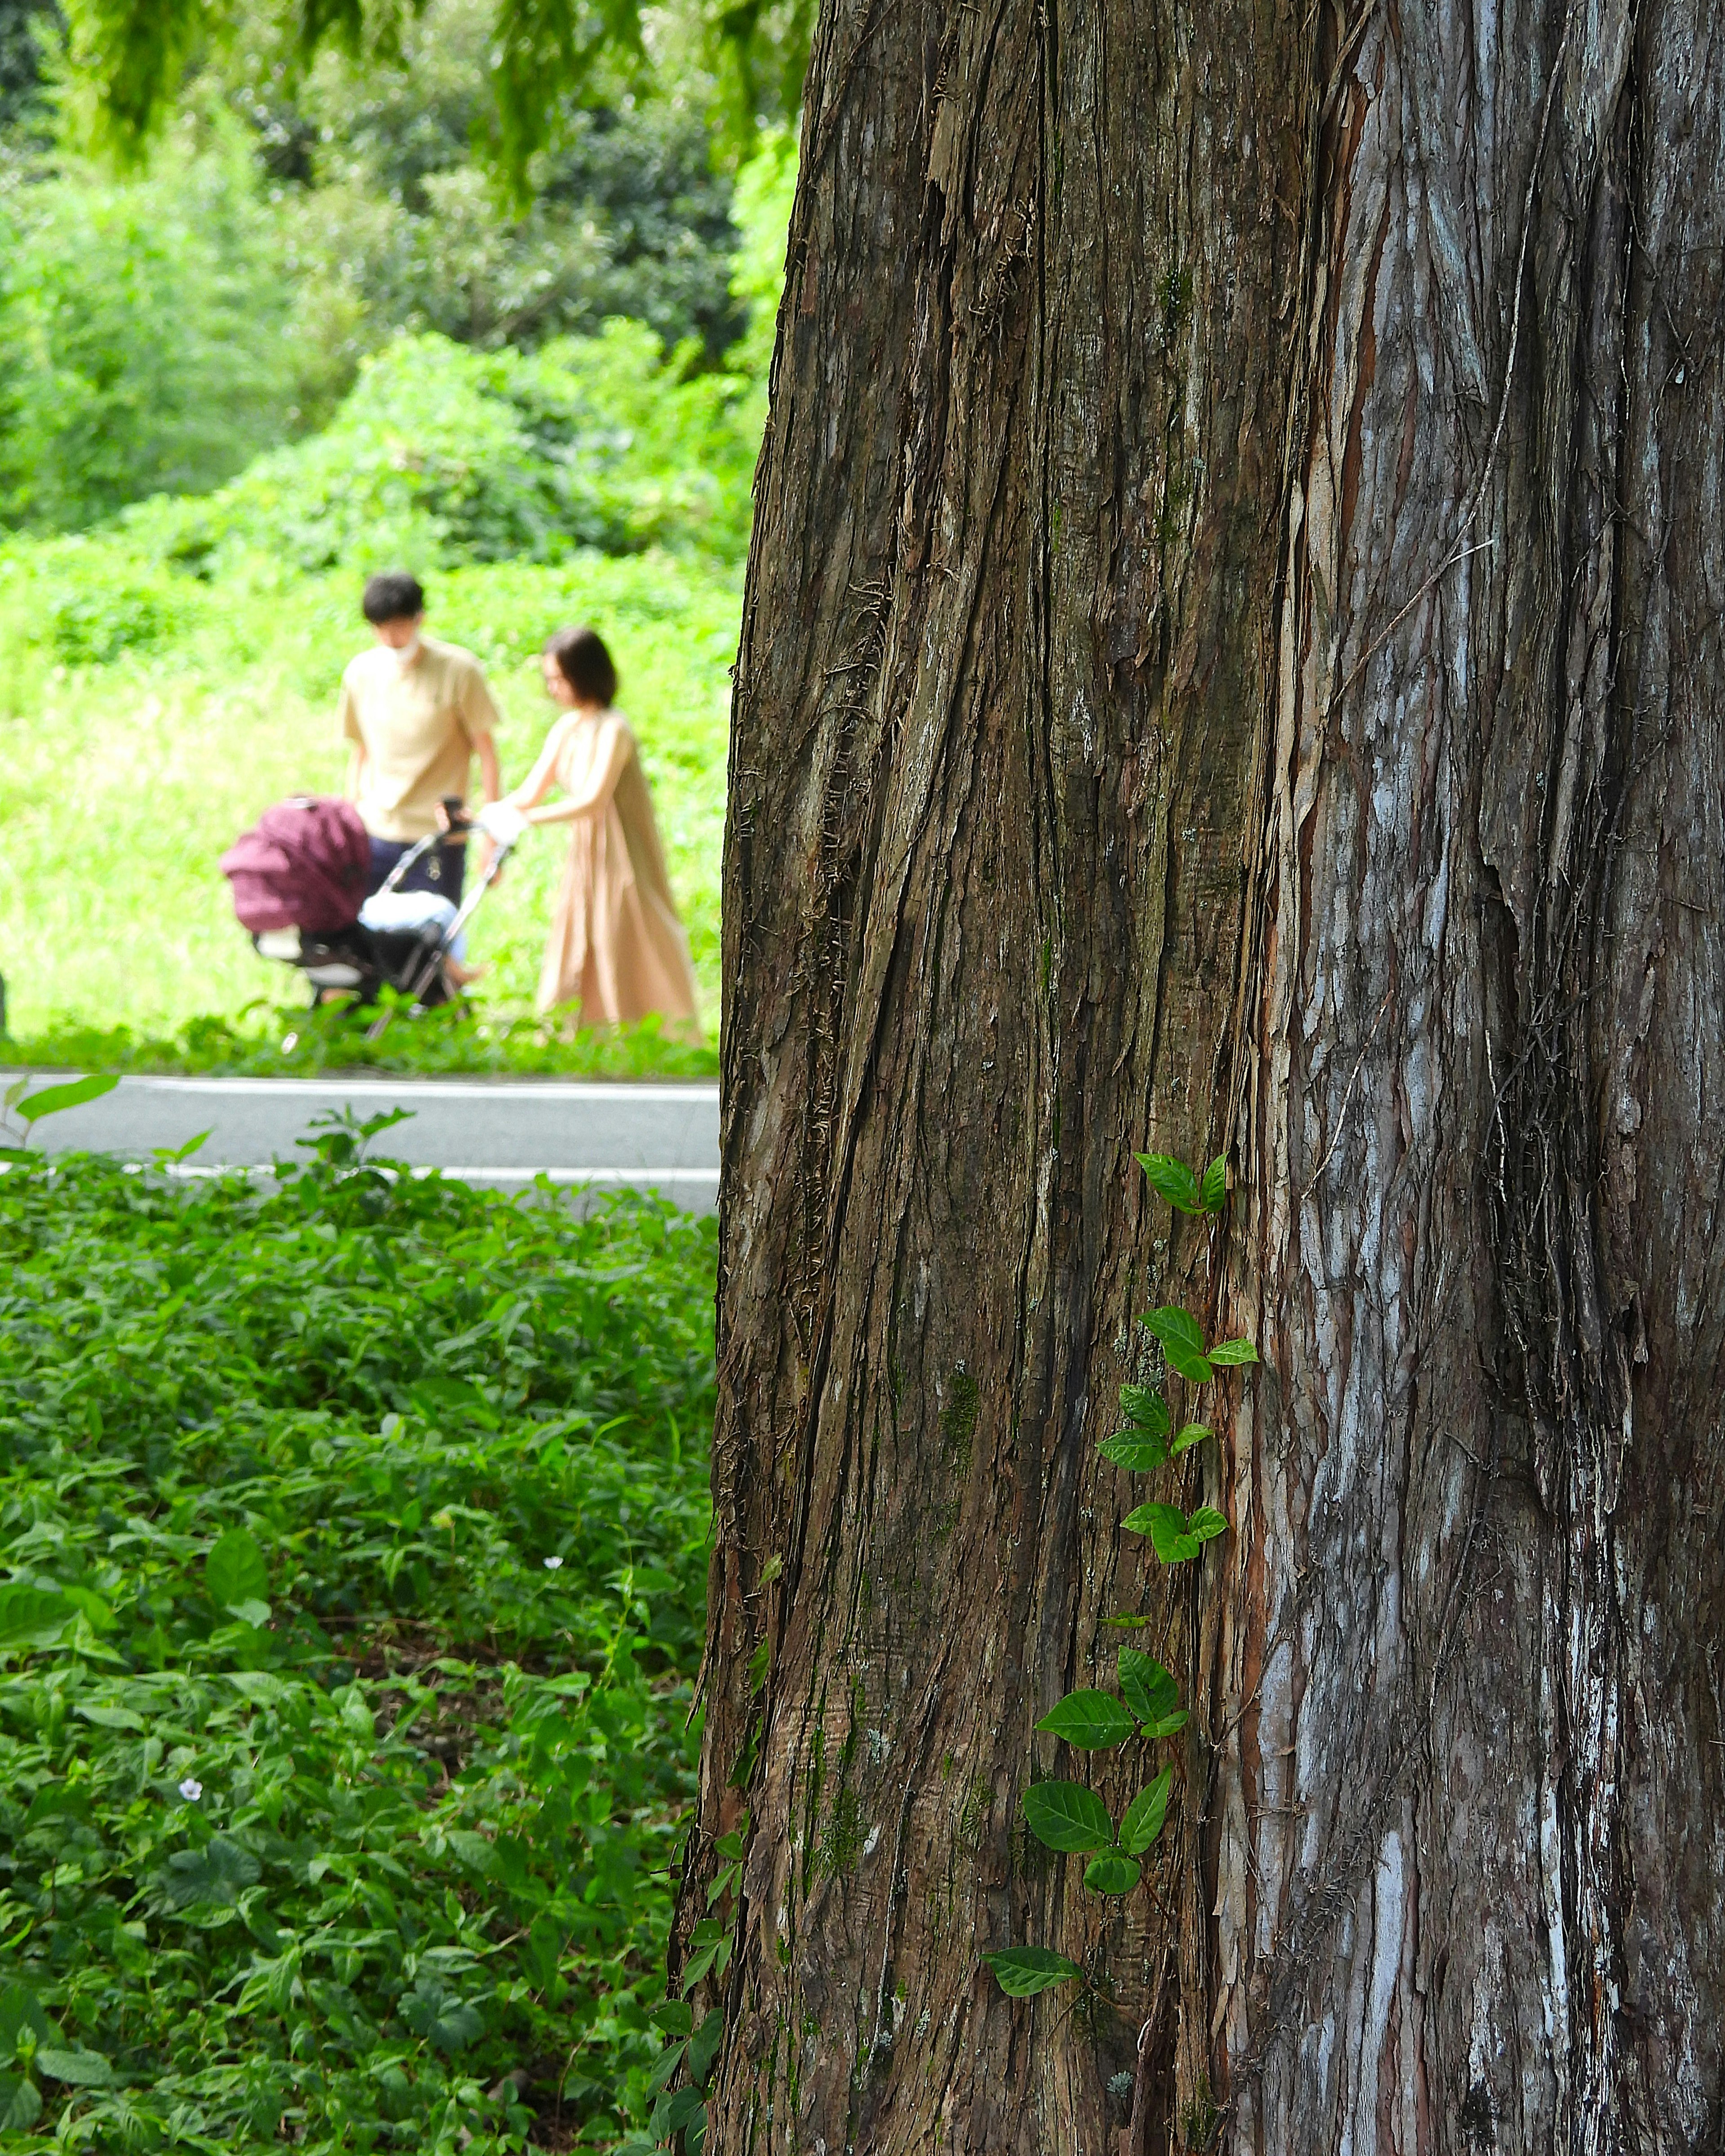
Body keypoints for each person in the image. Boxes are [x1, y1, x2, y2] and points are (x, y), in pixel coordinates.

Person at [478, 626, 700, 1034]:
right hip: (586, 851)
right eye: (550, 680)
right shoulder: (567, 729)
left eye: (560, 679)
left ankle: (656, 1032)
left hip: (623, 851)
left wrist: (525, 820)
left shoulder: (615, 728)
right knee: (582, 931)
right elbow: (529, 794)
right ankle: (582, 1030)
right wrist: (483, 817)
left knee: (629, 931)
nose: (554, 689)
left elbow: (593, 801)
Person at [336, 570, 502, 912]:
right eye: (380, 627)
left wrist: (491, 835)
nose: (390, 637)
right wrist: (349, 819)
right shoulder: (361, 673)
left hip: (437, 836)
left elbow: (487, 752)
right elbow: (360, 752)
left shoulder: (459, 670)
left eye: (398, 625)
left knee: (432, 944)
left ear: (420, 618)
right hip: (376, 830)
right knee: (370, 940)